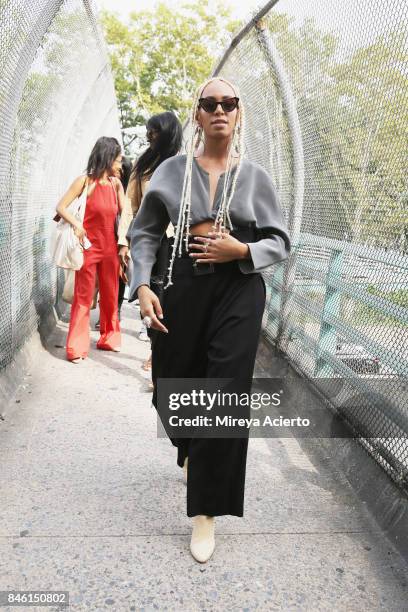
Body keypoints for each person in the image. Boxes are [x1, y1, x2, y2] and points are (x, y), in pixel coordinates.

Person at [128, 78, 291, 563]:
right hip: (183, 280)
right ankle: (189, 445)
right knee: (171, 384)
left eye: (229, 103)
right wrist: (141, 286)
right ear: (197, 115)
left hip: (239, 286)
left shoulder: (256, 176)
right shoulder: (173, 171)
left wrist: (241, 249)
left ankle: (206, 512)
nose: (220, 109)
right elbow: (145, 233)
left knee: (224, 387)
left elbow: (280, 242)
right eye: (210, 103)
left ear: (238, 114)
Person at [117, 112, 182, 362]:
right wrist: (124, 242)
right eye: (149, 130)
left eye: (154, 130)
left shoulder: (184, 164)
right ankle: (156, 350)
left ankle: (159, 354)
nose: (149, 135)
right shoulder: (142, 165)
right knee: (151, 291)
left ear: (167, 132)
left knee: (171, 296)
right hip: (148, 241)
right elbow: (130, 204)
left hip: (175, 241)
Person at [56, 136, 125, 363]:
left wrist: (126, 246)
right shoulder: (84, 181)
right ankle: (76, 347)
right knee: (83, 296)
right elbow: (61, 207)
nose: (120, 164)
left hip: (111, 249)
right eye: (118, 160)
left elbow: (125, 216)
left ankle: (109, 338)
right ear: (107, 158)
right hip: (87, 248)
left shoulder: (116, 185)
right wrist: (77, 225)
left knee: (111, 295)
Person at [95, 155, 133, 330]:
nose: (119, 170)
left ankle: (115, 311)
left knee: (119, 276)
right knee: (104, 278)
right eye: (118, 165)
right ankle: (105, 314)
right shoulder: (105, 184)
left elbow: (127, 213)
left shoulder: (126, 190)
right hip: (105, 237)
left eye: (123, 169)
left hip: (122, 237)